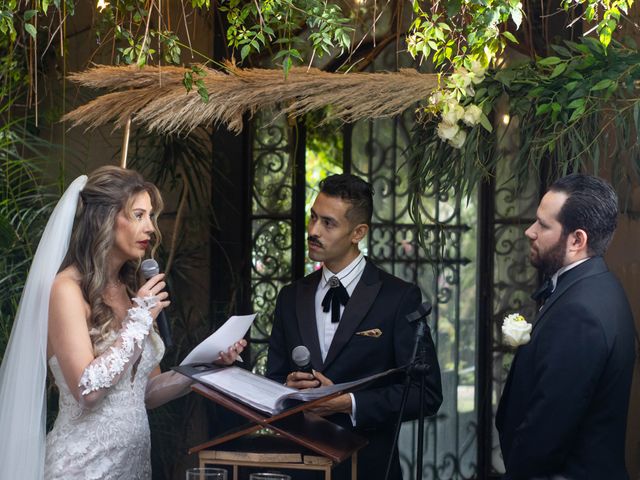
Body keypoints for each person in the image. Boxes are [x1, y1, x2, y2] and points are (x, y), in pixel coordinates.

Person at [0, 166, 245, 479]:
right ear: (104, 220)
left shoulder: (131, 289)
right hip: (82, 469)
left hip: (133, 469)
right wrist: (140, 318)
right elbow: (88, 391)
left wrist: (203, 369)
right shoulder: (67, 289)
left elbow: (146, 392)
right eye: (138, 215)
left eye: (151, 216)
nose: (151, 229)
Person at [266, 173, 442, 479]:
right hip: (300, 467)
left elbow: (425, 394)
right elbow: (274, 380)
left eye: (328, 223)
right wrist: (285, 389)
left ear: (358, 232)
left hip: (369, 467)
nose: (313, 230)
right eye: (313, 218)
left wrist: (348, 403)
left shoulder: (398, 298)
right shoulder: (290, 297)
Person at [496, 174, 636, 479]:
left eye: (544, 225)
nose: (530, 232)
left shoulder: (580, 311)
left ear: (577, 240)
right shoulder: (598, 286)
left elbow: (548, 426)